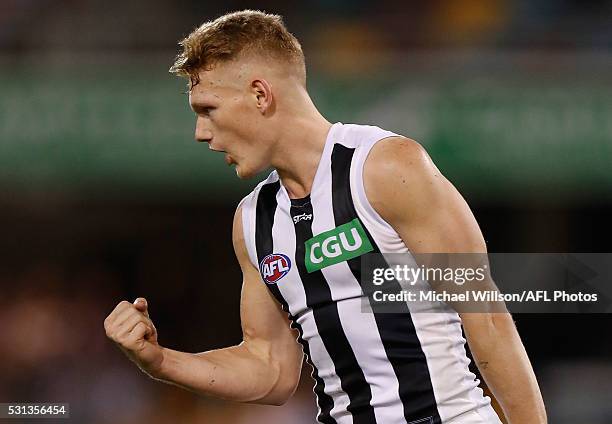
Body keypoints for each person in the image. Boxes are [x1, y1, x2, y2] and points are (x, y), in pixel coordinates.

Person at [104, 10, 546, 424]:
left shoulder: (388, 168)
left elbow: (486, 317)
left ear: (260, 94)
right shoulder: (253, 221)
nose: (201, 133)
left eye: (208, 109)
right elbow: (271, 370)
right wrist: (160, 360)